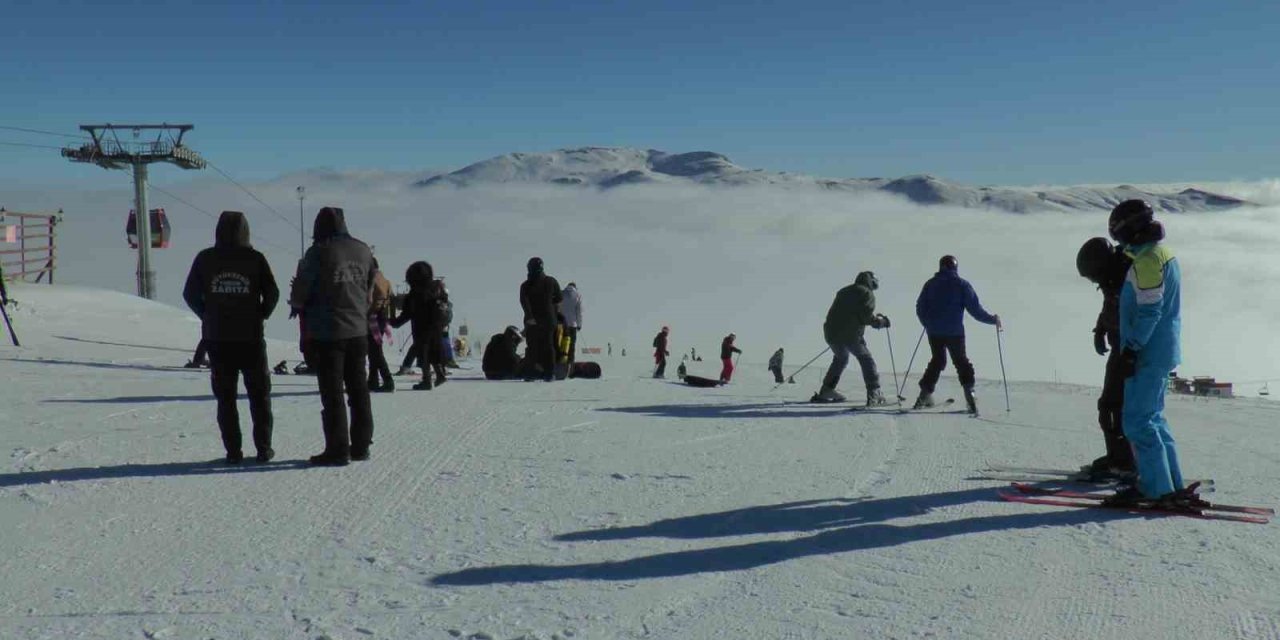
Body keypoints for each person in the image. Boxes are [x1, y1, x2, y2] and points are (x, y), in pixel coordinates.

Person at [1103, 200, 1190, 507]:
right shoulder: (1159, 253)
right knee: (1153, 418)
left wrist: (1131, 350)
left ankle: (1155, 488)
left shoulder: (1148, 260)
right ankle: (1169, 483)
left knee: (1138, 421)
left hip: (1149, 352)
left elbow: (1151, 311)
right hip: (1162, 348)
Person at [182, 210, 280, 464]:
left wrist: (207, 314)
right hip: (251, 338)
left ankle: (233, 452)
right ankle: (264, 448)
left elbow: (189, 293)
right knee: (259, 396)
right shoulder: (255, 258)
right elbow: (273, 293)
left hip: (217, 338)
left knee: (226, 399)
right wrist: (261, 314)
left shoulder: (205, 258)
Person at [289, 206, 377, 466]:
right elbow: (370, 288)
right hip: (358, 330)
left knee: (333, 392)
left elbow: (301, 292)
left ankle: (337, 450)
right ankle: (361, 446)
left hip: (328, 332)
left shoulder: (318, 252)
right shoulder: (363, 250)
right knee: (359, 389)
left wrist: (297, 303)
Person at [1076, 237, 1136, 478]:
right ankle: (1118, 457)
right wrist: (1100, 330)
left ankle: (1124, 462)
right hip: (1120, 346)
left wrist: (1131, 351)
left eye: (1092, 276)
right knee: (1110, 406)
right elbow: (1109, 307)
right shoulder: (1113, 277)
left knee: (1114, 406)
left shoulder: (1126, 277)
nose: (1093, 281)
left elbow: (1139, 314)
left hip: (1130, 350)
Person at [913, 256, 1000, 414]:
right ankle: (969, 394)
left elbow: (920, 307)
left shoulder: (930, 284)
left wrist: (927, 323)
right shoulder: (962, 285)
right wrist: (992, 320)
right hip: (955, 332)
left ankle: (924, 395)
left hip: (934, 331)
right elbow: (975, 310)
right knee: (961, 361)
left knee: (937, 361)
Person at [815, 271, 890, 406]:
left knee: (841, 358)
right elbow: (865, 316)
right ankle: (874, 392)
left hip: (831, 333)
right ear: (871, 282)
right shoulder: (867, 293)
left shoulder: (843, 291)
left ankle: (827, 389)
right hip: (850, 335)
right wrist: (881, 322)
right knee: (866, 359)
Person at [391, 261, 449, 390]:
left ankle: (426, 380)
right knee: (434, 351)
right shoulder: (437, 288)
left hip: (421, 328)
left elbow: (406, 314)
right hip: (437, 326)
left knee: (424, 353)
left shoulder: (414, 294)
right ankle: (440, 374)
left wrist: (393, 321)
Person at [519, 257, 562, 381]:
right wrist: (553, 311)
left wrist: (529, 316)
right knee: (548, 346)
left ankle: (531, 373)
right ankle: (549, 373)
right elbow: (558, 300)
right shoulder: (551, 281)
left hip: (532, 321)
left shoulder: (525, 285)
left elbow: (524, 302)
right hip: (549, 319)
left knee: (532, 347)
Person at [366, 261, 394, 393]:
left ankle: (388, 380)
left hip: (372, 317)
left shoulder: (371, 280)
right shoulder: (385, 280)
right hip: (382, 316)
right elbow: (391, 297)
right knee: (374, 350)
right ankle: (373, 380)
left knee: (375, 352)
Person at [560, 282, 583, 364]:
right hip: (572, 325)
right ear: (575, 287)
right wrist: (579, 325)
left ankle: (560, 363)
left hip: (561, 324)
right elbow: (579, 312)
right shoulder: (578, 295)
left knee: (561, 345)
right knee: (571, 346)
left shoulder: (561, 293)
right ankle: (570, 365)